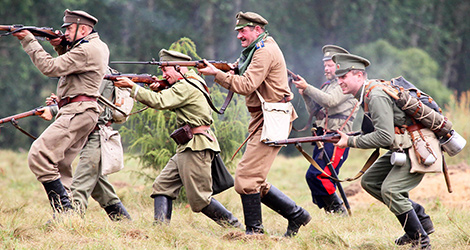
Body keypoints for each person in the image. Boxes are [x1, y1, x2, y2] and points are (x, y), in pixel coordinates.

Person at [199, 11, 311, 237]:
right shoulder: (253, 50)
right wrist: (229, 70)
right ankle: (296, 215)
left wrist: (216, 74)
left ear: (257, 30)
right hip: (263, 118)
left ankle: (255, 232)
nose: (239, 36)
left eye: (243, 31)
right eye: (238, 31)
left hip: (272, 120)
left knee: (244, 180)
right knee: (252, 177)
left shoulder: (263, 51)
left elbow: (246, 85)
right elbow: (244, 74)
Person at [113, 49, 241, 228]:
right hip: (188, 145)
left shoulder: (185, 86)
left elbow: (160, 102)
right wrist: (164, 86)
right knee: (162, 186)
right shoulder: (191, 80)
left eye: (166, 70)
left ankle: (235, 228)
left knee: (200, 201)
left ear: (179, 67)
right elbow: (173, 99)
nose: (163, 74)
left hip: (196, 146)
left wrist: (132, 87)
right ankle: (161, 231)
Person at [12, 9, 109, 216]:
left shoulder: (85, 49)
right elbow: (74, 69)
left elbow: (50, 68)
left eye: (69, 29)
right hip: (81, 111)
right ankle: (67, 219)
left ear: (83, 29)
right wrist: (60, 46)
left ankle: (64, 211)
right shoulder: (93, 46)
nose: (65, 33)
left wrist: (30, 41)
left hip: (77, 111)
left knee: (39, 154)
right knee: (61, 164)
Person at [333, 53, 433, 249]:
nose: (339, 82)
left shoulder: (375, 95)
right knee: (370, 182)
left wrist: (350, 141)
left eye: (344, 77)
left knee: (391, 190)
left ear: (359, 76)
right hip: (404, 146)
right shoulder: (368, 93)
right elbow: (382, 130)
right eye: (339, 77)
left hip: (418, 148)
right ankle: (420, 220)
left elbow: (384, 137)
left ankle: (420, 240)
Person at [40, 68, 131, 221]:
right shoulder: (91, 72)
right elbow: (77, 101)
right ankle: (124, 222)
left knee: (80, 184)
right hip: (87, 134)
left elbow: (86, 102)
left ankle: (70, 220)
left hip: (98, 135)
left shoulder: (100, 74)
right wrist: (60, 103)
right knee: (100, 188)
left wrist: (55, 109)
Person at [292, 45, 357, 215]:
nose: (326, 69)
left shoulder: (345, 85)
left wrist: (308, 88)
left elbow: (330, 101)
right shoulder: (329, 85)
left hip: (337, 139)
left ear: (339, 65)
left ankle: (338, 212)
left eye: (330, 65)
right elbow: (316, 111)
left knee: (320, 176)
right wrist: (305, 94)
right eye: (325, 65)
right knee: (313, 176)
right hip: (324, 138)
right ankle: (332, 212)